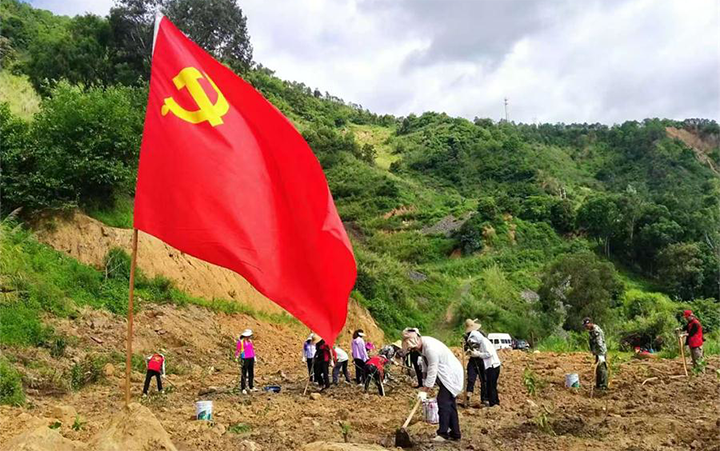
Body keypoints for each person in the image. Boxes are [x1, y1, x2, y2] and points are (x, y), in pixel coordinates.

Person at [402, 328, 463, 443]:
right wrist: (423, 386)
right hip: (446, 376)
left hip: (451, 376)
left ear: (417, 340)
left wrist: (425, 390)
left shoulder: (430, 349)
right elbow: (425, 368)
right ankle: (455, 433)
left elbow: (432, 370)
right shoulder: (422, 346)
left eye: (413, 348)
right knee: (450, 404)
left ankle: (443, 434)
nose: (413, 350)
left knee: (443, 402)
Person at [470, 324, 501, 406]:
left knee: (491, 385)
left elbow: (489, 353)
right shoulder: (483, 341)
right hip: (492, 365)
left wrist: (478, 354)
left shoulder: (484, 342)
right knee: (491, 385)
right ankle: (495, 402)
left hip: (492, 365)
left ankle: (493, 403)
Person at [463, 319, 488, 407]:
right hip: (473, 360)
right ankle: (468, 397)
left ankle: (484, 399)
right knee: (471, 379)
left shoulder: (480, 334)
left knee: (483, 379)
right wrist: (467, 348)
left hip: (481, 358)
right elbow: (466, 348)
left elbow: (484, 345)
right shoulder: (467, 336)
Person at [583, 317, 608, 390]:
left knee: (602, 368)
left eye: (587, 325)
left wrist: (601, 355)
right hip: (597, 352)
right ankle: (598, 385)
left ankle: (604, 385)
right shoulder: (591, 331)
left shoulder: (596, 331)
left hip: (601, 352)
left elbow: (599, 343)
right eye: (585, 326)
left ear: (590, 323)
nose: (586, 327)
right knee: (598, 369)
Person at [235, 329, 256, 394]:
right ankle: (243, 388)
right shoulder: (240, 342)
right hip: (244, 358)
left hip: (251, 357)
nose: (249, 337)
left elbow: (252, 349)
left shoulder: (250, 341)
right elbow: (238, 350)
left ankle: (251, 386)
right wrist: (236, 357)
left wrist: (254, 357)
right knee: (244, 373)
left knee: (251, 372)